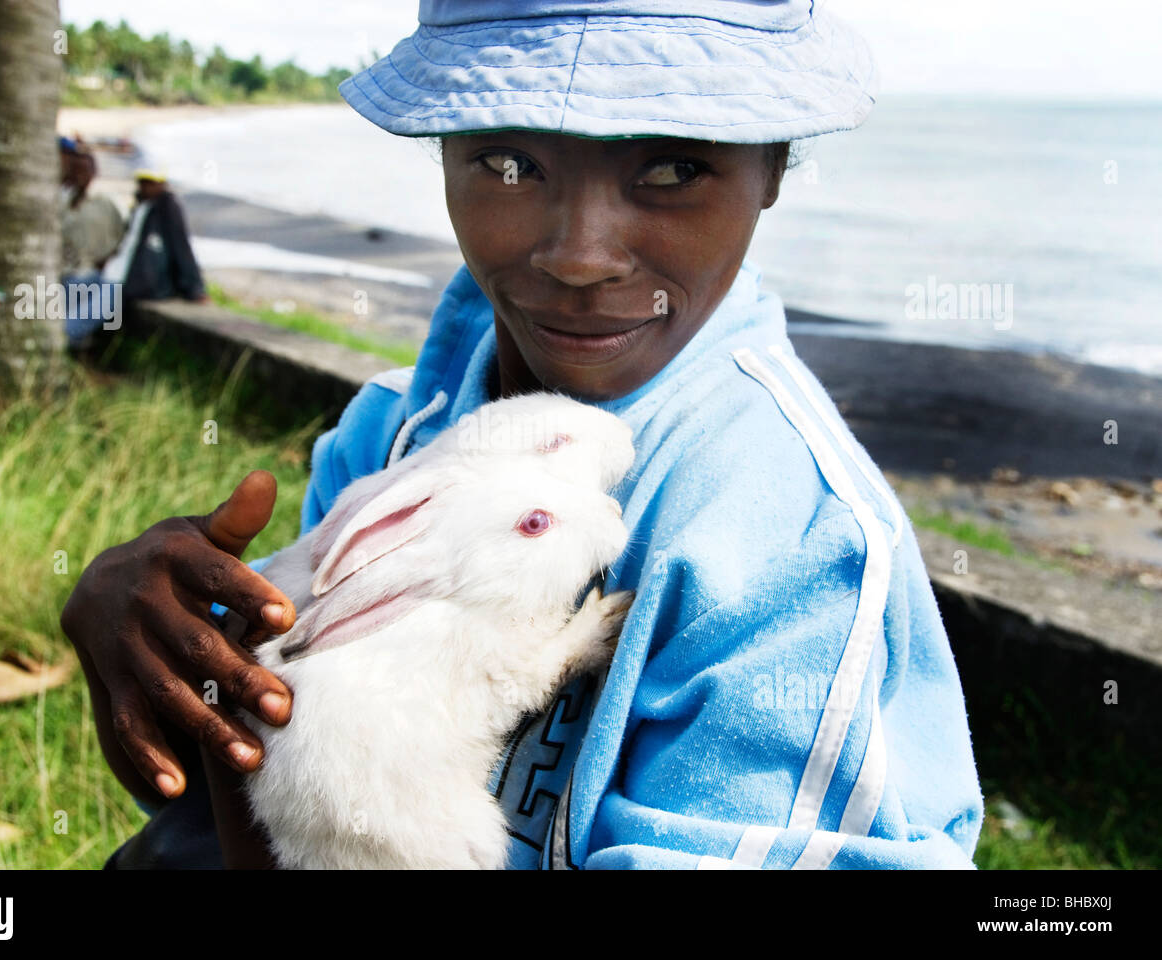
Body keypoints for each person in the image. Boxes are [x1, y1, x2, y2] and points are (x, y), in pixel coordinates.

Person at [63, 0, 984, 870]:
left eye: (673, 168)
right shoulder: (383, 440)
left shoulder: (790, 545)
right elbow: (263, 823)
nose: (581, 256)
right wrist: (190, 681)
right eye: (509, 164)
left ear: (773, 166)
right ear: (445, 152)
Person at [101, 170, 208, 305]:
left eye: (150, 183)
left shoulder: (167, 207)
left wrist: (195, 289)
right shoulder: (140, 206)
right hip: (113, 274)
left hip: (133, 282)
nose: (146, 187)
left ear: (162, 184)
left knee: (88, 313)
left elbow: (181, 248)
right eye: (143, 183)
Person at [60, 147, 126, 347]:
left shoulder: (103, 204)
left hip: (89, 274)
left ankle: (66, 334)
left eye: (86, 171)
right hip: (65, 276)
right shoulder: (61, 202)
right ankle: (64, 335)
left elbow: (120, 239)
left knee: (106, 293)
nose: (81, 176)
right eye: (77, 170)